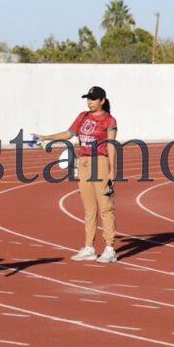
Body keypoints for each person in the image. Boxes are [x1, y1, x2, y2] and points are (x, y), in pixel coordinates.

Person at [36, 86, 118, 263]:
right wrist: (46, 137)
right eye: (88, 98)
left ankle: (110, 248)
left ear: (102, 101)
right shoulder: (82, 116)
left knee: (105, 207)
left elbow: (111, 144)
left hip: (101, 162)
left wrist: (112, 170)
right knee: (89, 209)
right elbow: (68, 134)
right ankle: (89, 247)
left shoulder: (109, 120)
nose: (89, 102)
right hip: (84, 163)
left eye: (93, 99)